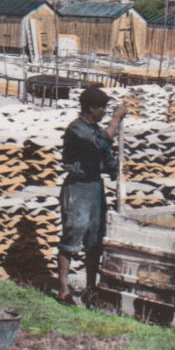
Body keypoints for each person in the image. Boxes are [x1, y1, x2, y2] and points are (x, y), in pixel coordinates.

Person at [57, 85, 127, 305]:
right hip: (77, 188)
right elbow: (101, 142)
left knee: (95, 239)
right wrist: (116, 119)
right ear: (91, 108)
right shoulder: (76, 129)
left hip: (95, 188)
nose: (104, 113)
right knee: (72, 235)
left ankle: (90, 288)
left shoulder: (94, 128)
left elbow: (105, 149)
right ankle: (63, 291)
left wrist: (114, 169)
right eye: (102, 109)